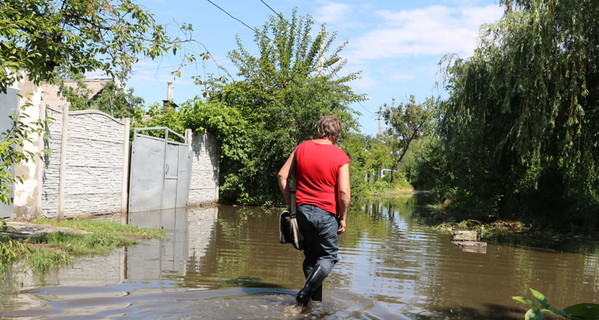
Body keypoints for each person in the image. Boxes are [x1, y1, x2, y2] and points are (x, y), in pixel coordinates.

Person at [277, 115, 351, 309]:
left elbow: (282, 175)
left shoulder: (301, 148)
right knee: (329, 257)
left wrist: (291, 205)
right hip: (326, 214)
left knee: (310, 258)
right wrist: (343, 218)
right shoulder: (340, 155)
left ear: (318, 130)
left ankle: (311, 305)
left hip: (302, 212)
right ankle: (305, 293)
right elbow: (343, 192)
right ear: (336, 135)